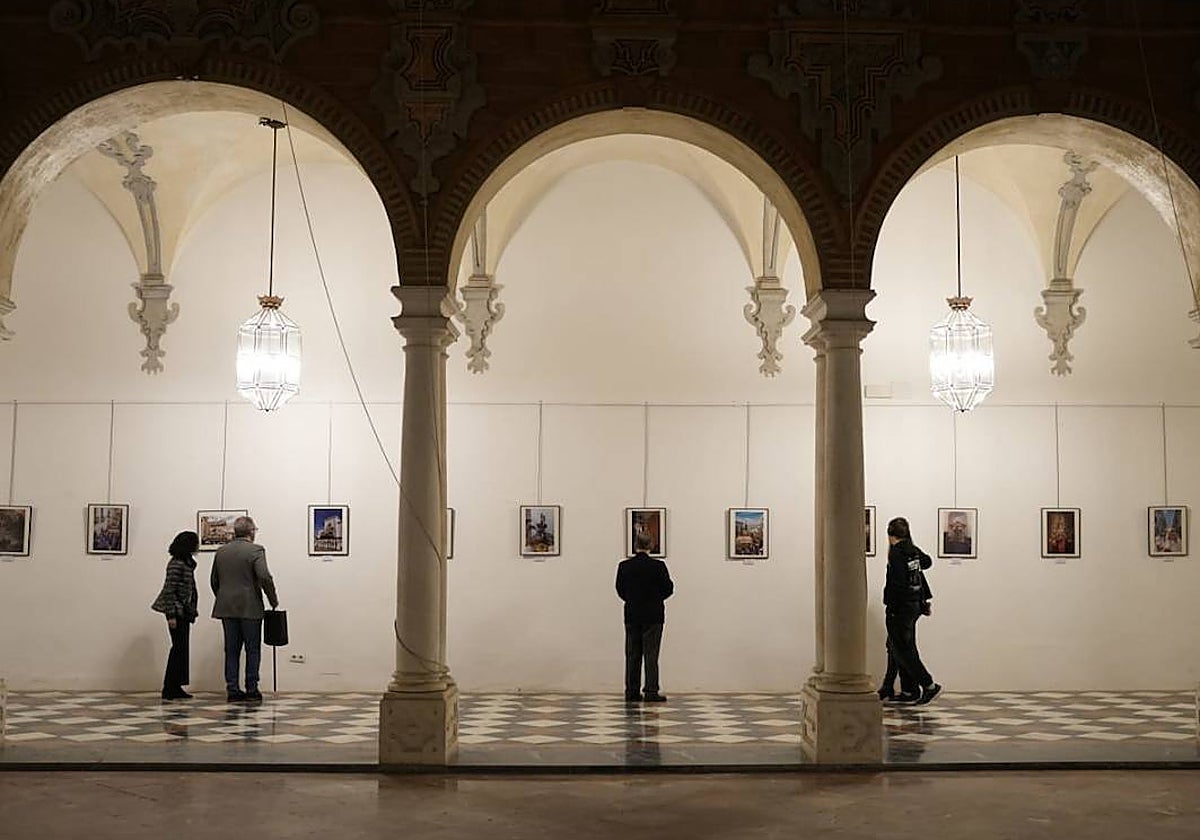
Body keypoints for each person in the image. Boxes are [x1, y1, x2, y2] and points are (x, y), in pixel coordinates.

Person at [211, 515, 278, 703]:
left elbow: (214, 580)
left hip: (226, 607)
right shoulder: (256, 550)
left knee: (231, 650)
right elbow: (264, 576)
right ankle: (251, 689)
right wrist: (272, 599)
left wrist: (224, 597)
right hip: (250, 607)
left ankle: (232, 689)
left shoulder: (222, 551)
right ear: (251, 532)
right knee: (252, 649)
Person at [879, 517, 941, 705]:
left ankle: (929, 685)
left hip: (900, 608)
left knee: (904, 650)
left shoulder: (897, 552)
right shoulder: (911, 550)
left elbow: (897, 583)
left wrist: (892, 608)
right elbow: (928, 562)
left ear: (890, 535)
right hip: (914, 606)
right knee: (894, 646)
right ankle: (905, 690)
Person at [616, 533, 674, 703]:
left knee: (632, 654)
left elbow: (620, 589)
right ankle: (651, 691)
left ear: (635, 545)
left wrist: (633, 599)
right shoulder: (658, 566)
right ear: (651, 546)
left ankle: (632, 691)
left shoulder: (624, 566)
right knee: (651, 655)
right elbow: (668, 589)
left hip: (632, 614)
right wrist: (655, 599)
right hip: (654, 615)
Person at [151, 530, 200, 701]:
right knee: (178, 648)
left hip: (183, 612)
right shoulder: (176, 564)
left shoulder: (186, 563)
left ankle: (176, 686)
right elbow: (169, 591)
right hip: (176, 611)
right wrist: (171, 615)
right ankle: (169, 687)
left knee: (181, 648)